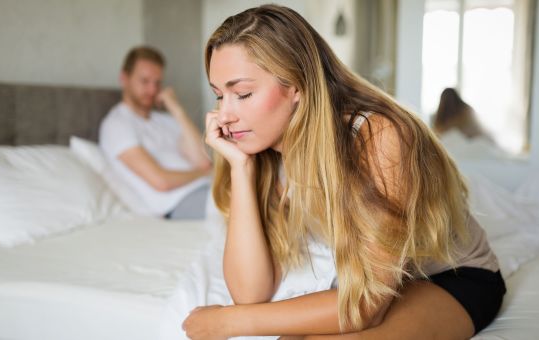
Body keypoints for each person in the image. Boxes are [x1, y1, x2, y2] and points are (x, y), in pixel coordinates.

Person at [183, 5, 505, 339]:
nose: (225, 114)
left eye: (243, 93)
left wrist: (229, 321)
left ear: (297, 86)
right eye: (219, 95)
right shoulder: (263, 151)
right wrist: (240, 167)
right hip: (374, 282)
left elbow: (366, 304)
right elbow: (250, 294)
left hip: (449, 277)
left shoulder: (378, 137)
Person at [99, 46, 211, 219]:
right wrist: (204, 173)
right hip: (179, 202)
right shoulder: (116, 124)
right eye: (145, 81)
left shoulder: (166, 120)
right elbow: (162, 182)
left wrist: (177, 110)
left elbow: (203, 160)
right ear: (124, 78)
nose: (152, 90)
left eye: (157, 83)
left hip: (208, 189)